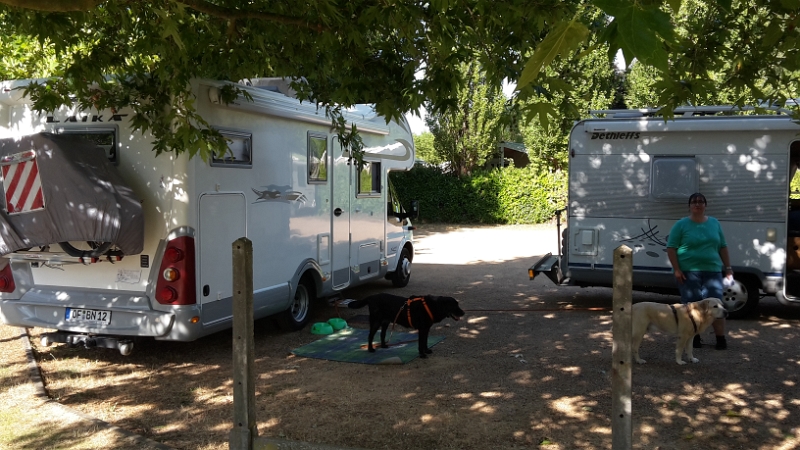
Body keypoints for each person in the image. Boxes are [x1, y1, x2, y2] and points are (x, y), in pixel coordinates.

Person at [666, 192, 731, 350]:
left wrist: (728, 268)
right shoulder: (681, 224)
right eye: (694, 202)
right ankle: (694, 338)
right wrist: (677, 270)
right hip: (688, 272)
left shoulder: (714, 223)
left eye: (701, 201)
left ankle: (720, 339)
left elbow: (722, 246)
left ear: (705, 205)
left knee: (716, 305)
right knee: (692, 307)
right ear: (689, 206)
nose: (697, 204)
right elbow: (671, 248)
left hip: (713, 271)